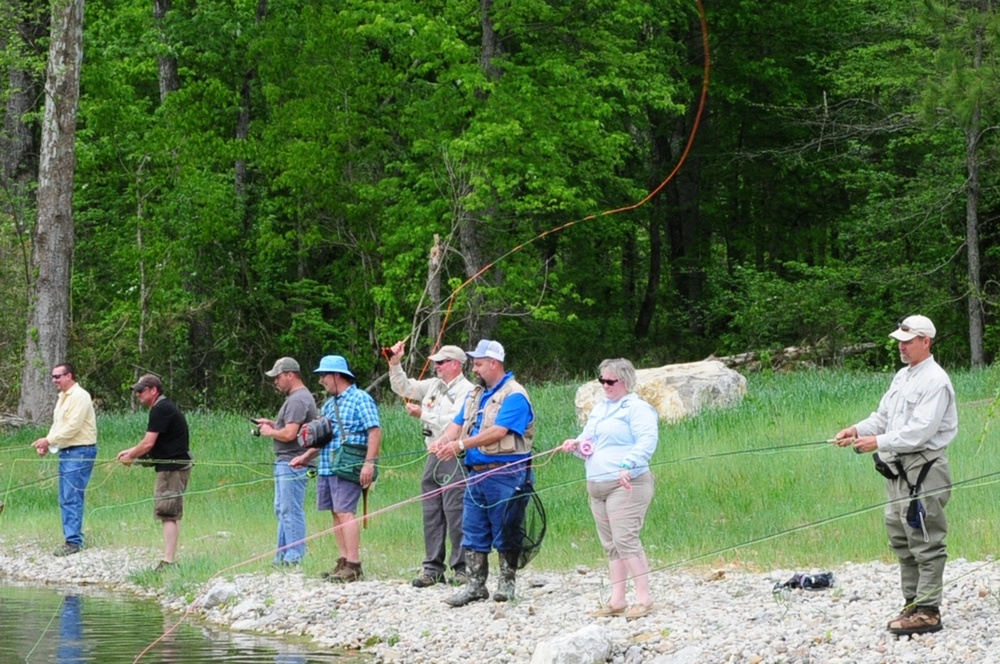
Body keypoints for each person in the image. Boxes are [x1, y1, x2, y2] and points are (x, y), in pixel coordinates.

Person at [834, 315, 957, 636]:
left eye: (908, 340)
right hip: (898, 470)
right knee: (901, 538)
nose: (901, 346)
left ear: (926, 341)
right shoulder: (903, 376)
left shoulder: (937, 380)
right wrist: (857, 430)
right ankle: (912, 603)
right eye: (900, 341)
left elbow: (919, 432)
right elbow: (884, 417)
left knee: (925, 537)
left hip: (925, 469)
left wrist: (878, 442)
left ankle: (929, 612)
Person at [429, 339, 535, 606]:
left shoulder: (515, 395)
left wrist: (461, 445)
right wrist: (443, 442)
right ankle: (475, 586)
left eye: (477, 364)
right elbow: (457, 424)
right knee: (473, 529)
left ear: (494, 363)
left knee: (506, 528)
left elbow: (499, 432)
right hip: (476, 474)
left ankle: (506, 585)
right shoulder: (476, 394)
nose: (474, 369)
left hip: (507, 475)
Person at [561, 358, 659, 619]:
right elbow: (589, 440)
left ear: (624, 382)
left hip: (627, 484)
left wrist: (630, 463)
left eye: (610, 381)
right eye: (601, 380)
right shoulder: (599, 409)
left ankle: (643, 598)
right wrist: (576, 444)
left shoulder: (637, 409)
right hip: (597, 484)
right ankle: (617, 600)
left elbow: (647, 440)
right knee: (611, 544)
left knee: (625, 539)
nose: (605, 385)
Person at [387, 341, 474, 587]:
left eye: (442, 362)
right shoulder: (433, 385)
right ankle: (432, 568)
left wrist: (421, 414)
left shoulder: (469, 390)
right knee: (431, 511)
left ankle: (462, 568)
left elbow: (455, 421)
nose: (436, 366)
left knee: (455, 511)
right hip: (432, 454)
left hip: (454, 455)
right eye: (435, 362)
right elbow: (404, 387)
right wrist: (395, 363)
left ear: (456, 365)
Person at [291, 355, 381, 583]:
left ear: (337, 375)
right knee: (335, 513)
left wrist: (369, 463)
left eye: (324, 376)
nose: (322, 381)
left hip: (349, 464)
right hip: (327, 466)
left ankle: (354, 564)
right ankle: (342, 560)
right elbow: (323, 438)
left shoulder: (361, 398)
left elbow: (374, 431)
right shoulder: (329, 405)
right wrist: (304, 456)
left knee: (345, 512)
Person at [116, 374, 193, 570]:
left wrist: (131, 457)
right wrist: (131, 451)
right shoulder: (163, 407)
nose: (138, 394)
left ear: (153, 390)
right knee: (170, 513)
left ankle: (168, 561)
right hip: (174, 467)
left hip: (171, 470)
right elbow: (152, 443)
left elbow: (148, 443)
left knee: (167, 513)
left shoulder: (160, 409)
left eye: (141, 391)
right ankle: (169, 558)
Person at [256, 357, 318, 566]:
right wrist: (273, 423)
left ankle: (294, 556)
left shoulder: (297, 400)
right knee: (282, 508)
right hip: (290, 462)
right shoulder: (298, 398)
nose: (275, 382)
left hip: (294, 462)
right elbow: (295, 428)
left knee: (290, 508)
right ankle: (282, 556)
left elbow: (290, 434)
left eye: (278, 377)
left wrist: (269, 432)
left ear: (290, 375)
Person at [31, 362, 98, 556]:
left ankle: (73, 542)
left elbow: (73, 427)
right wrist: (48, 444)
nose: (54, 381)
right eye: (53, 377)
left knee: (71, 496)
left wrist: (49, 440)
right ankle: (71, 538)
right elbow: (58, 425)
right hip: (67, 452)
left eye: (57, 377)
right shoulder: (62, 398)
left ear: (69, 376)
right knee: (65, 496)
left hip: (80, 452)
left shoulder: (80, 396)